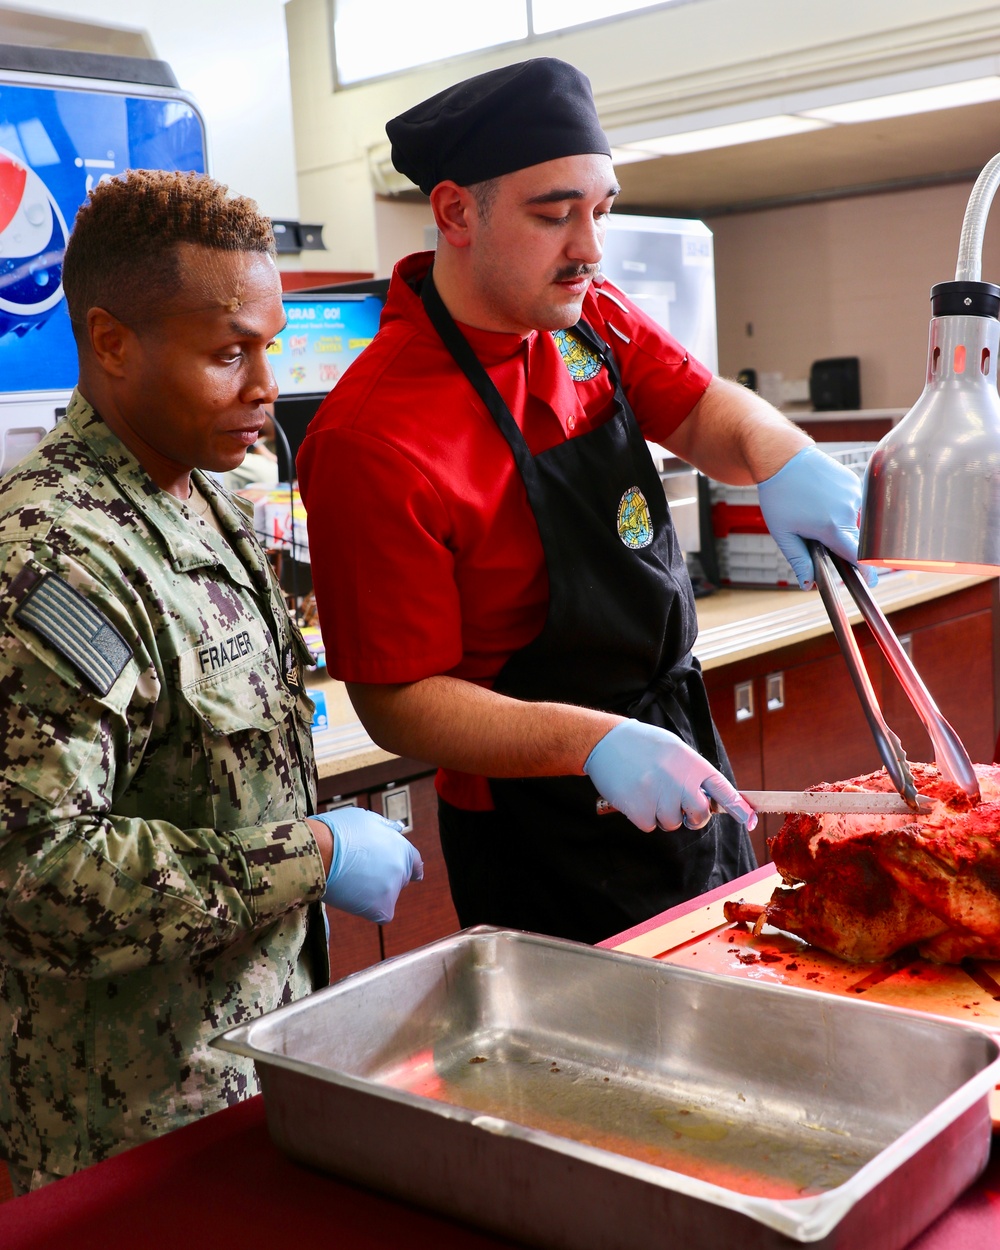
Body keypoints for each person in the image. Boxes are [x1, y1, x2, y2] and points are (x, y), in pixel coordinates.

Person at [297, 58, 870, 947]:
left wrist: (779, 452)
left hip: (679, 749)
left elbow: (701, 405)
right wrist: (593, 744)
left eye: (599, 209)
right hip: (541, 830)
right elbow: (398, 699)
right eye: (554, 212)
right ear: (454, 212)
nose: (590, 248)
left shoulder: (586, 316)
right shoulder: (371, 438)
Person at [0, 169, 422, 1193]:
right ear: (111, 342)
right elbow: (41, 877)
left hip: (255, 1056)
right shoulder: (51, 560)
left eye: (269, 346)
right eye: (229, 352)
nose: (265, 384)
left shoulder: (211, 503)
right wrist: (310, 852)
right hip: (123, 1119)